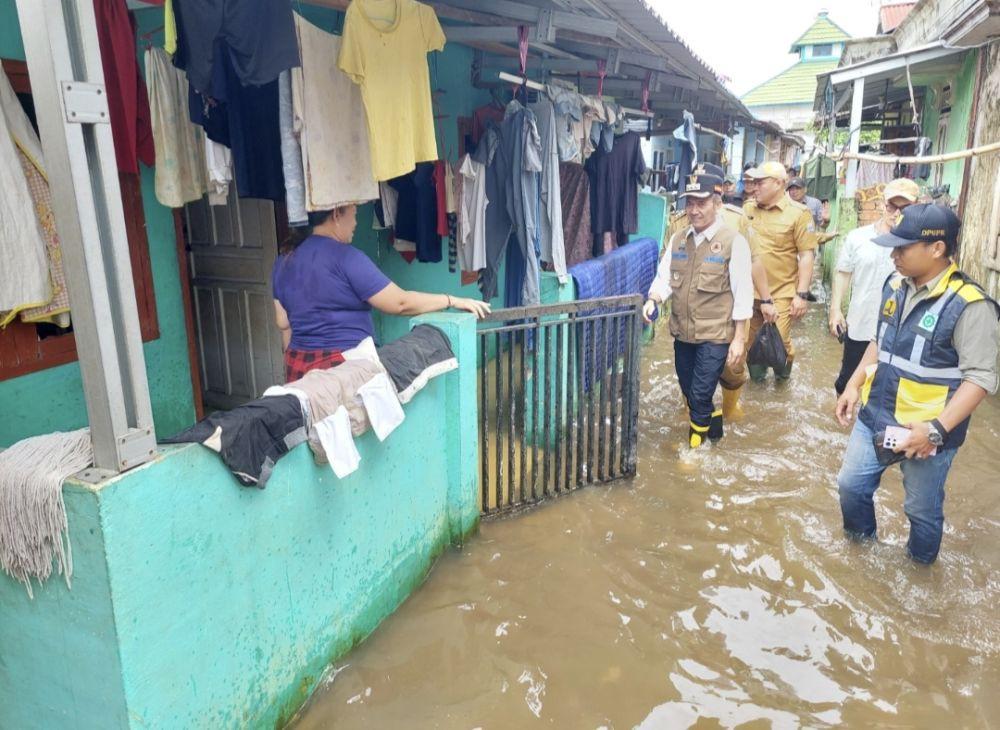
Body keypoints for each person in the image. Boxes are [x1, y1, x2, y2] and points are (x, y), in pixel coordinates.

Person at [834, 203, 999, 564]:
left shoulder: (971, 306)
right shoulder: (894, 284)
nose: (893, 255)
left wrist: (935, 430)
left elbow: (981, 379)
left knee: (922, 512)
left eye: (903, 247)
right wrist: (853, 385)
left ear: (937, 248)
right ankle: (861, 558)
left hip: (927, 435)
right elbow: (879, 344)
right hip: (876, 414)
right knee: (851, 487)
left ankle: (920, 573)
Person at [272, 204, 490, 382]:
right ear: (337, 214)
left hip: (298, 370)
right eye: (354, 215)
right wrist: (451, 299)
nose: (356, 223)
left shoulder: (284, 259)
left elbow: (282, 322)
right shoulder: (346, 257)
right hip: (342, 370)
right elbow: (400, 303)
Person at [642, 166, 756, 448]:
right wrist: (653, 299)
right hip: (683, 332)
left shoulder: (733, 242)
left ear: (717, 204)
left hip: (715, 334)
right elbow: (665, 276)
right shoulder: (679, 239)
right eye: (690, 203)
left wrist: (739, 339)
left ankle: (695, 452)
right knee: (689, 390)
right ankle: (714, 434)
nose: (694, 210)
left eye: (701, 203)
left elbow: (743, 293)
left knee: (701, 393)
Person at [730, 161, 817, 399]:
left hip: (781, 293)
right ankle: (757, 387)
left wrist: (801, 295)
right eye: (752, 182)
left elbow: (806, 255)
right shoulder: (748, 209)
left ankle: (782, 385)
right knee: (748, 342)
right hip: (749, 293)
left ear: (779, 183)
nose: (753, 187)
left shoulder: (799, 213)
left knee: (780, 340)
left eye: (760, 182)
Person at [829, 178, 919, 394]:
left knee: (890, 388)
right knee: (847, 382)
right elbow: (843, 272)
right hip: (861, 324)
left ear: (916, 207)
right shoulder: (858, 238)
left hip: (900, 330)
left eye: (904, 208)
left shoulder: (919, 245)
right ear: (882, 204)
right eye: (892, 206)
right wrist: (835, 310)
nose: (896, 213)